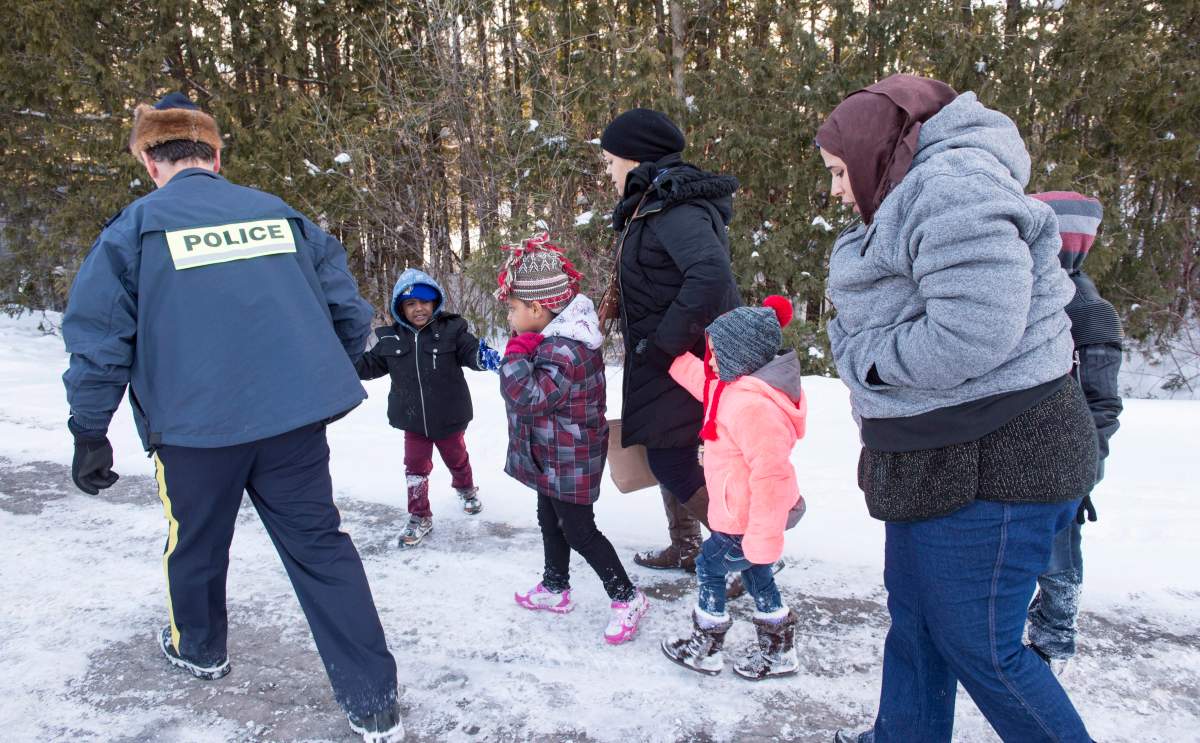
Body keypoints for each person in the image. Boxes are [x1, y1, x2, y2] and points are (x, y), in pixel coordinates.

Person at [61, 93, 403, 743]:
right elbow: (347, 307)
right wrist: (335, 356)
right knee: (321, 548)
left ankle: (200, 648)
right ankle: (374, 700)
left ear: (148, 159)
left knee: (194, 543)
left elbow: (101, 339)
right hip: (290, 423)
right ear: (215, 156)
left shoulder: (134, 229)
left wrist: (88, 428)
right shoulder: (280, 215)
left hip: (194, 432)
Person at [817, 75, 1096, 743]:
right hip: (938, 460)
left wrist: (871, 360)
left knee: (984, 647)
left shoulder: (952, 185)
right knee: (917, 622)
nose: (833, 189)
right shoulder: (916, 186)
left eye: (835, 171)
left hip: (1000, 460)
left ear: (876, 151)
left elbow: (974, 330)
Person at [597, 107, 741, 575]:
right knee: (666, 446)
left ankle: (742, 554)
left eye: (612, 159)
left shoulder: (672, 207)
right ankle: (686, 545)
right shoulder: (653, 202)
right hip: (666, 355)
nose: (608, 169)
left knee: (671, 458)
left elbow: (710, 274)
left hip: (683, 358)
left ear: (636, 158)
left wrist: (664, 343)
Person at [496, 234, 649, 644]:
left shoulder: (564, 349)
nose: (509, 318)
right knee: (550, 520)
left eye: (512, 310)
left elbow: (529, 398)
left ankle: (627, 596)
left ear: (537, 308)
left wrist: (514, 353)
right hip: (554, 455)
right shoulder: (553, 340)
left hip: (570, 457)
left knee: (579, 530)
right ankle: (554, 587)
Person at [660, 297, 808, 680]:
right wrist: (675, 358)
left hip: (747, 516)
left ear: (739, 357)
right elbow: (704, 384)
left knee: (710, 564)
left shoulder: (753, 407)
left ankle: (706, 646)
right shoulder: (734, 389)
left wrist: (762, 537)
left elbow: (771, 476)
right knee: (758, 573)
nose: (709, 362)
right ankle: (779, 648)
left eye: (714, 355)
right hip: (738, 511)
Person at [1026, 191, 1124, 672]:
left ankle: (1055, 635)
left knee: (1058, 551)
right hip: (1027, 449)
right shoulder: (1030, 292)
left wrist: (1086, 458)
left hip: (1068, 457)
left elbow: (1102, 401)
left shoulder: (1084, 308)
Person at [355, 268, 501, 548]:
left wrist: (485, 357)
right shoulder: (390, 338)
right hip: (412, 420)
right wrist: (342, 360)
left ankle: (466, 489)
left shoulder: (452, 329)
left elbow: (470, 351)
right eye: (411, 304)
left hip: (448, 416)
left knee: (456, 458)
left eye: (424, 302)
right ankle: (419, 514)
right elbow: (369, 366)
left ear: (435, 303)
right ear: (400, 308)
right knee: (415, 469)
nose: (419, 308)